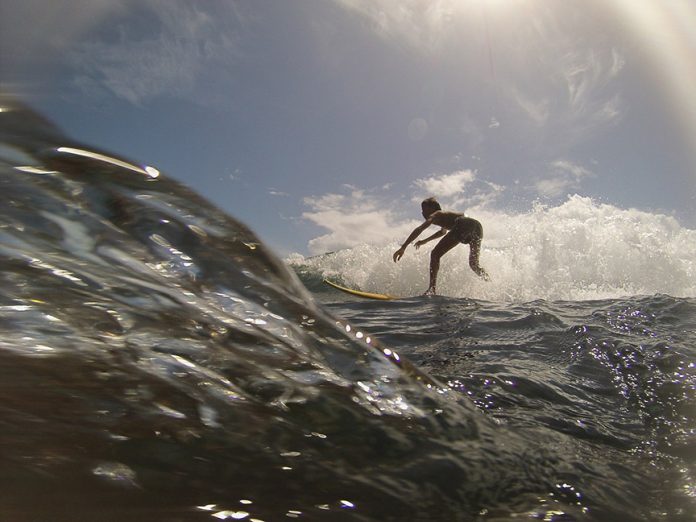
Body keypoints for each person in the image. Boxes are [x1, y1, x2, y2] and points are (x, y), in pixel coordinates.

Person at [393, 197, 490, 295]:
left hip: (464, 224)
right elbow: (442, 232)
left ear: (433, 208)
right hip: (477, 227)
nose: (422, 213)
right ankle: (490, 283)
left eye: (424, 209)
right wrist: (424, 241)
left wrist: (403, 247)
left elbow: (420, 228)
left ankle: (432, 289)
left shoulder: (436, 214)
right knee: (474, 265)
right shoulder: (444, 217)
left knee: (435, 254)